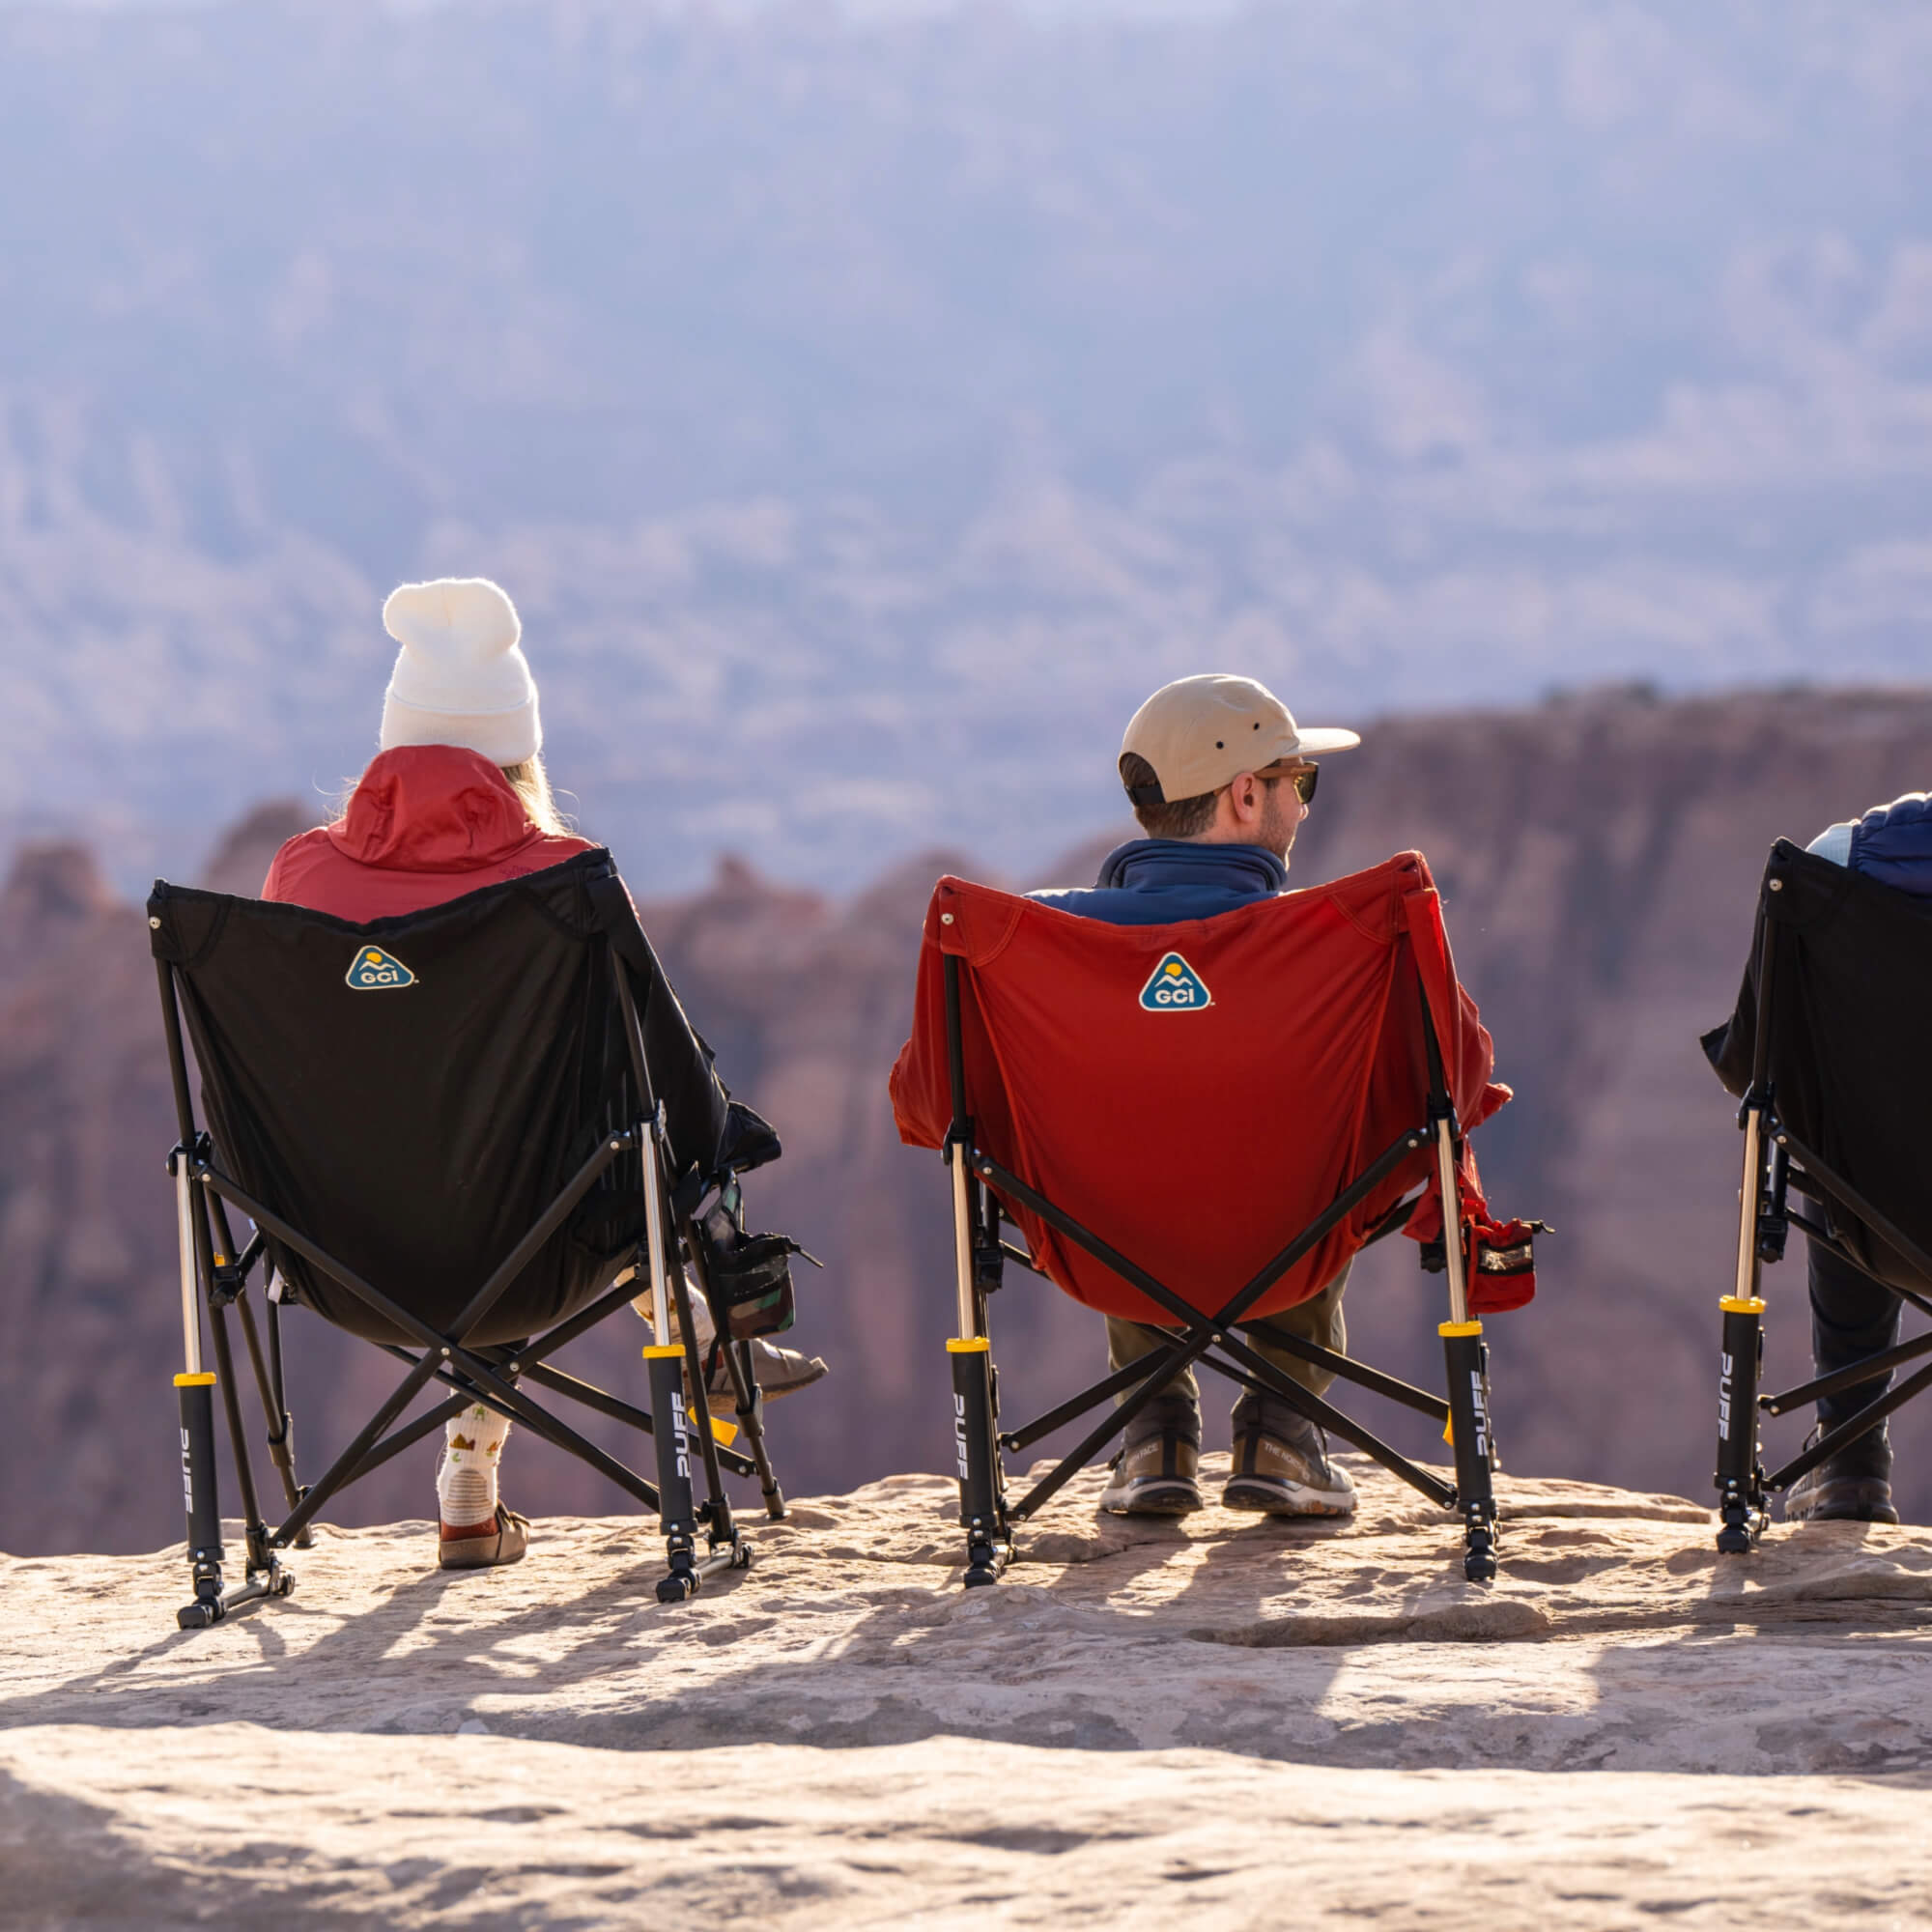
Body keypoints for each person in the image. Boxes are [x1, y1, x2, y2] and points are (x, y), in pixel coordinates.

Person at [262, 576, 826, 1569]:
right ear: (517, 745)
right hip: (535, 1243)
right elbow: (659, 1064)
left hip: (337, 1250)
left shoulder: (298, 876)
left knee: (468, 1167)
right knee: (558, 1162)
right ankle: (699, 1340)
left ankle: (470, 1487)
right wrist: (719, 1144)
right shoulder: (564, 880)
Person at [1029, 673, 1363, 1520]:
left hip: (1106, 1233)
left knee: (1127, 1151)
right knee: (1330, 1155)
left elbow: (932, 1101)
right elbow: (1455, 1081)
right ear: (1246, 795)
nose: (1307, 806)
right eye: (1299, 782)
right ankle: (1285, 1432)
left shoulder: (1049, 951)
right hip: (1291, 1236)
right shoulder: (1339, 948)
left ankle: (1154, 1439)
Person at [1782, 791, 1932, 1524]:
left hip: (1881, 1214)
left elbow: (1762, 1052)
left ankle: (1851, 1458)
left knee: (1836, 1150)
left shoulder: (1834, 863)